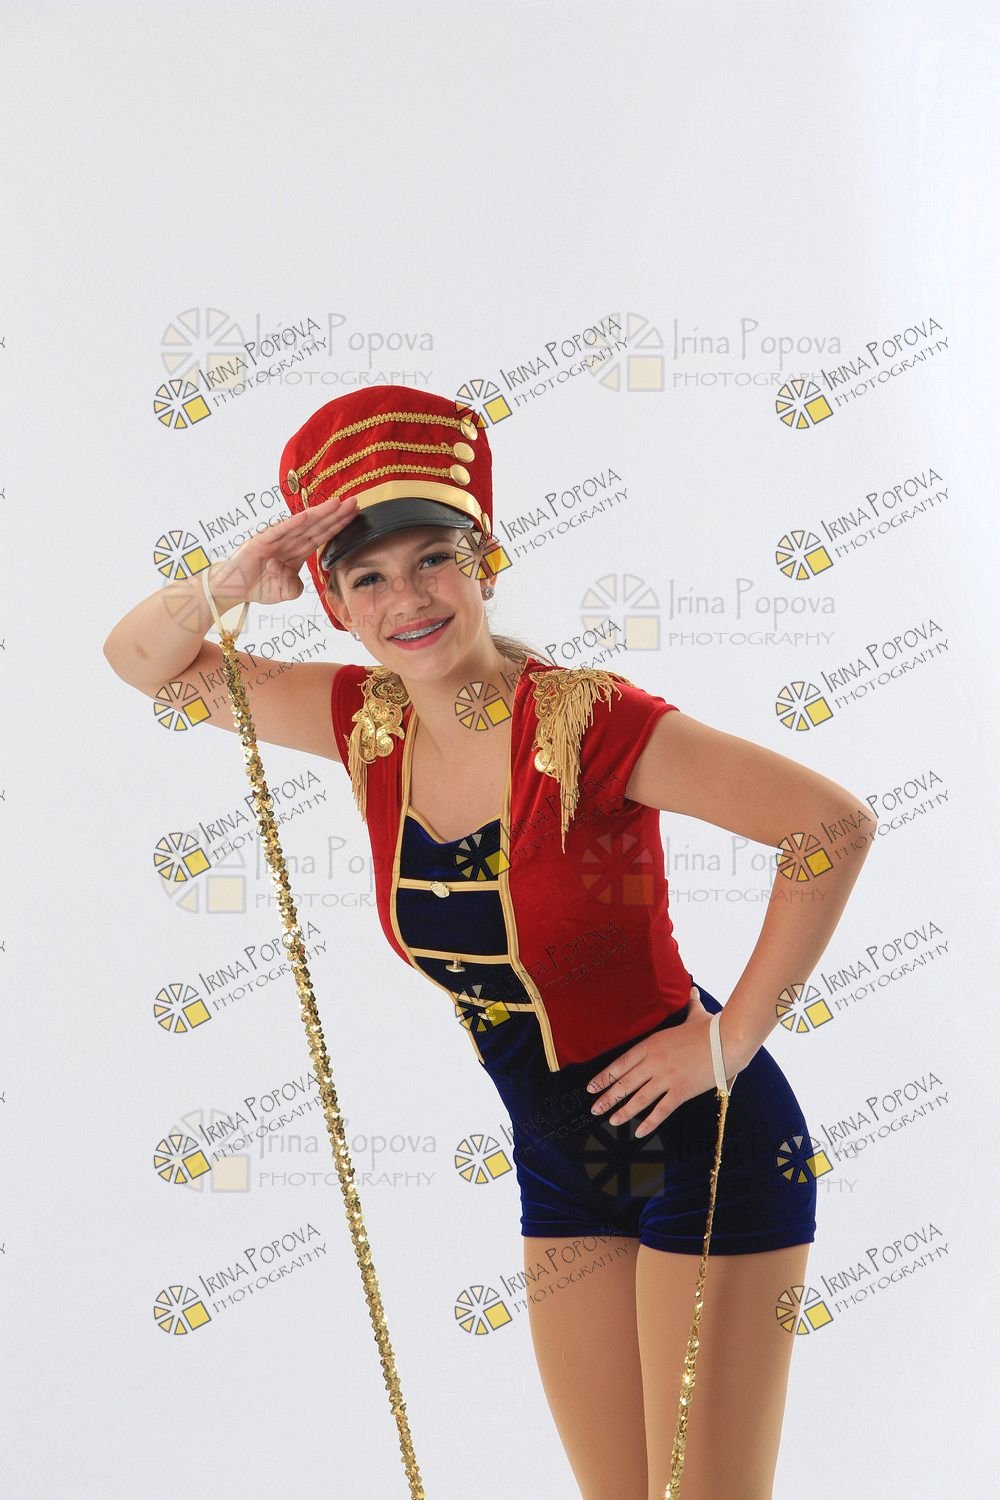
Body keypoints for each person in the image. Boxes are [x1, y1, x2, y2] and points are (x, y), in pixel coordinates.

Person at [104, 384, 875, 1500]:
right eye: (369, 577)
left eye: (434, 560)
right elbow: (145, 667)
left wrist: (730, 1038)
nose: (408, 598)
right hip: (561, 1169)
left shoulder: (589, 721)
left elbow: (829, 829)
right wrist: (231, 579)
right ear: (335, 605)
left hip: (708, 1150)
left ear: (484, 564)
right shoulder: (361, 726)